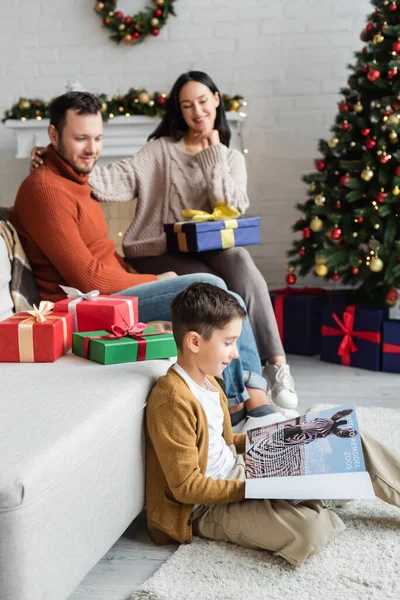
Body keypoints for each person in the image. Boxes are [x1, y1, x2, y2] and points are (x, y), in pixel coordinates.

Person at [13, 90, 292, 432]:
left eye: (98, 138)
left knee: (229, 298)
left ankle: (252, 399)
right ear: (54, 135)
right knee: (211, 287)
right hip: (85, 307)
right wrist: (154, 281)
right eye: (81, 138)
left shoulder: (76, 180)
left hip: (111, 296)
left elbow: (99, 251)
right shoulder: (45, 190)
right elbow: (87, 278)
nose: (92, 149)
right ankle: (237, 408)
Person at [145, 282, 400, 567]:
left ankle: (314, 491)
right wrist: (255, 487)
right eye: (228, 342)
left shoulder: (210, 382)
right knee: (309, 530)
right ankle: (313, 496)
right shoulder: (172, 400)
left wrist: (285, 435)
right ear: (194, 342)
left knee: (344, 435)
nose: (235, 353)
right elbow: (187, 488)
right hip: (206, 507)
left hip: (242, 469)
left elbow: (225, 440)